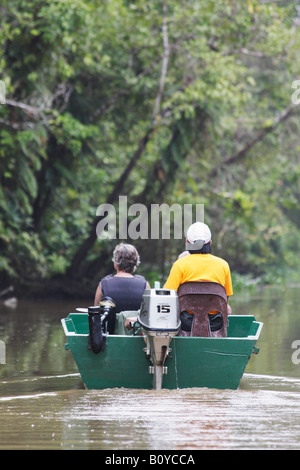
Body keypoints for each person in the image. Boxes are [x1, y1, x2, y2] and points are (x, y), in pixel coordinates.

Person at [164, 222, 233, 334]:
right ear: (210, 243)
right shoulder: (223, 265)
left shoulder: (180, 265)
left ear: (187, 242)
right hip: (215, 324)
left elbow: (168, 296)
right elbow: (225, 299)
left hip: (186, 324)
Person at [94, 243, 150, 313]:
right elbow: (148, 314)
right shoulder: (145, 285)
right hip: (134, 324)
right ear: (135, 263)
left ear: (115, 263)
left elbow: (95, 313)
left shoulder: (103, 285)